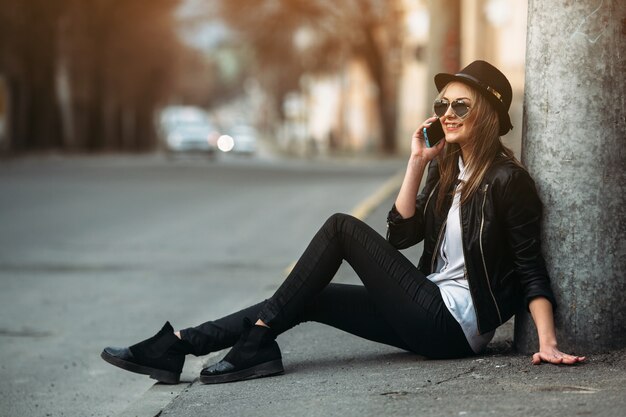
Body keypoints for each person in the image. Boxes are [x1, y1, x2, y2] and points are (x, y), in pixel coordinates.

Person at [101, 60, 585, 385]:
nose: (448, 113)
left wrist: (547, 342)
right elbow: (400, 235)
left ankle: (255, 338)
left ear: (488, 114)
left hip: (452, 326)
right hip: (426, 304)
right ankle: (182, 344)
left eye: (461, 105)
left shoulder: (506, 180)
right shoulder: (447, 169)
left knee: (341, 227)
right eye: (442, 105)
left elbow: (529, 267)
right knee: (314, 297)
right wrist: (417, 161)